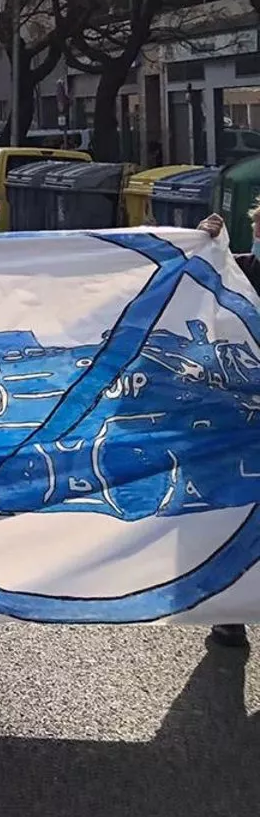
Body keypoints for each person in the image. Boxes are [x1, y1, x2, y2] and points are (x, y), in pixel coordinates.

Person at [194, 211, 252, 652]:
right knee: (236, 511)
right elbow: (192, 292)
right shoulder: (240, 270)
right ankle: (232, 612)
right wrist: (199, 244)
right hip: (241, 420)